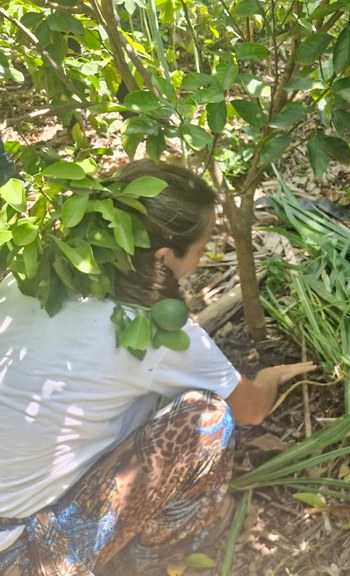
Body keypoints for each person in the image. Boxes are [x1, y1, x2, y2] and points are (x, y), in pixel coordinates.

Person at [0, 160, 315, 576]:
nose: (201, 263)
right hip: (22, 553)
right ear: (164, 256)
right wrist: (267, 377)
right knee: (207, 419)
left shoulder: (27, 282)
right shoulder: (150, 330)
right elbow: (252, 410)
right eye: (200, 250)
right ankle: (153, 554)